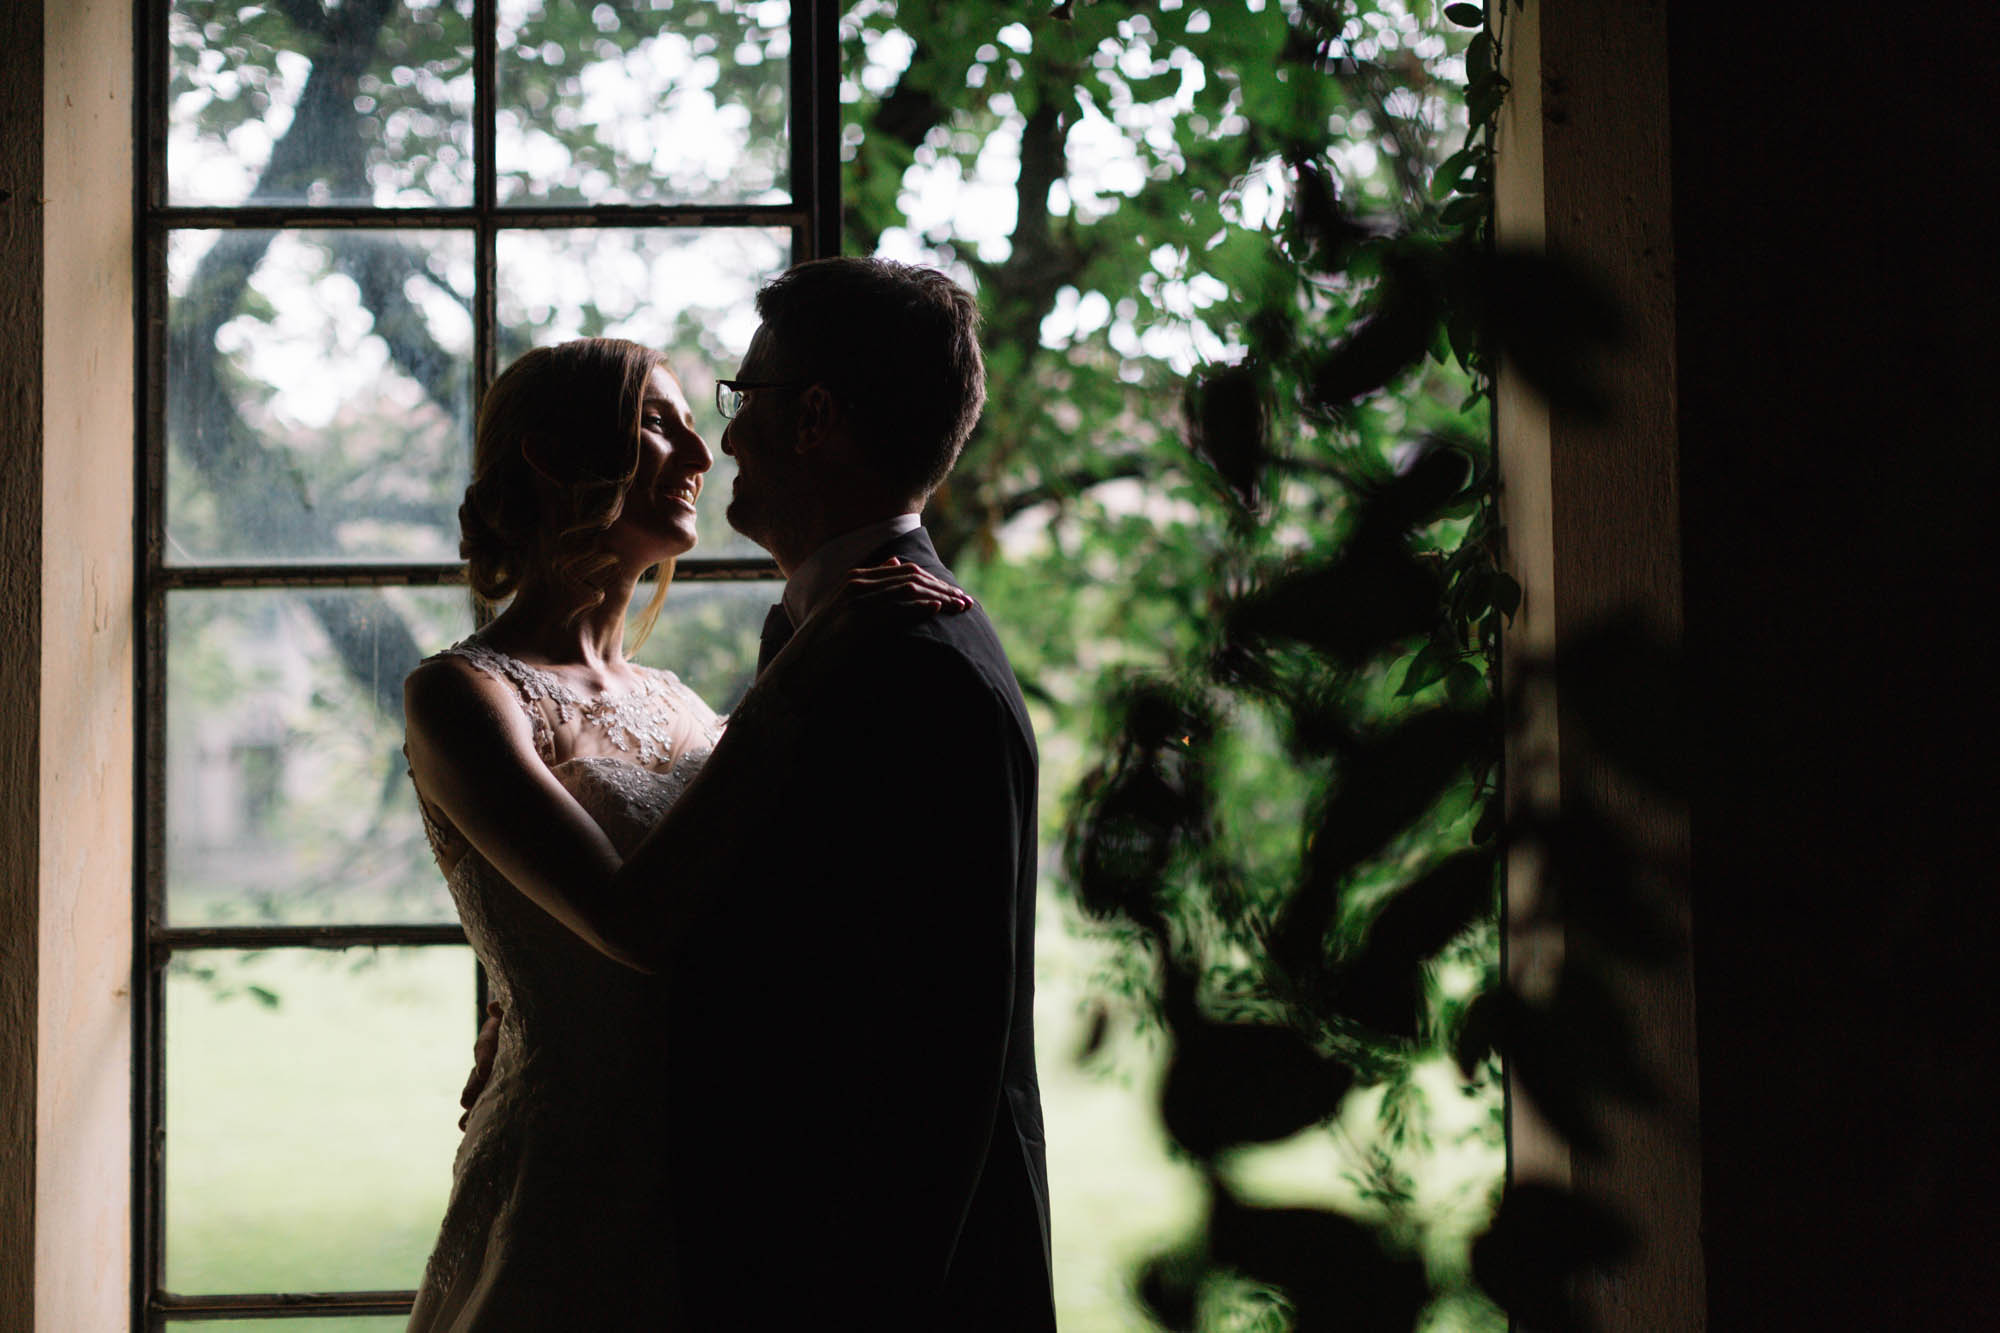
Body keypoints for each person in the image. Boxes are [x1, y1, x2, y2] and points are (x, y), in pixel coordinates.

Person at [400, 335, 972, 1328]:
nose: (704, 454)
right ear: (550, 455)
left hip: (718, 1160)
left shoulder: (675, 700)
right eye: (658, 425)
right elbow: (631, 921)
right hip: (572, 1168)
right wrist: (794, 672)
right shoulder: (460, 696)